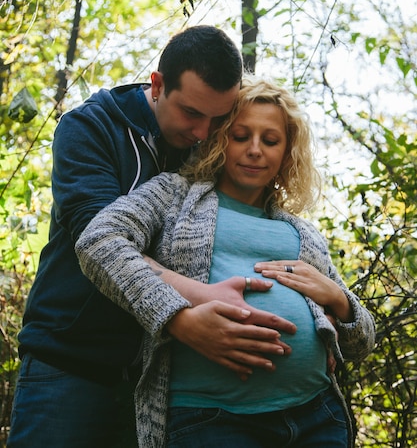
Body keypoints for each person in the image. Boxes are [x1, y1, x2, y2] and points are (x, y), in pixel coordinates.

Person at [8, 28, 296, 448]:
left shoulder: (209, 144)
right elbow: (101, 242)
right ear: (157, 85)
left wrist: (319, 310)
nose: (203, 132)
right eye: (192, 113)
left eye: (219, 119)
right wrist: (192, 306)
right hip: (69, 365)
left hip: (156, 384)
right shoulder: (90, 128)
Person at [75, 77, 376, 448]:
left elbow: (361, 344)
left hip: (315, 417)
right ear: (219, 138)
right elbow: (97, 241)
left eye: (270, 141)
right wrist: (174, 317)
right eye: (240, 136)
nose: (254, 150)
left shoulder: (304, 234)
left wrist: (339, 299)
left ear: (286, 152)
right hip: (209, 419)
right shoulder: (174, 195)